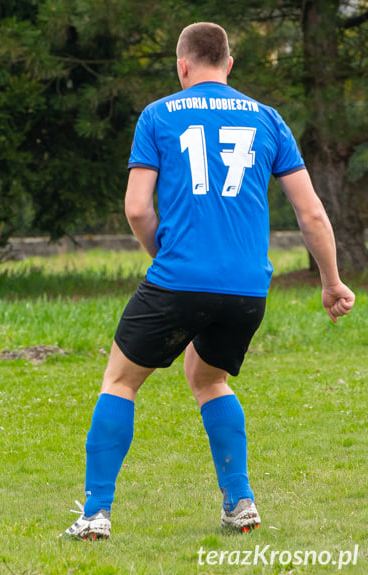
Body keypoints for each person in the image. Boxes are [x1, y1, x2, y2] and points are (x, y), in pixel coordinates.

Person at [62, 22, 355, 540]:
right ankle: (240, 502)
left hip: (178, 278)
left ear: (182, 66)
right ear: (229, 65)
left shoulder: (157, 115)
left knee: (120, 380)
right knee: (208, 377)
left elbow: (135, 209)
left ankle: (95, 514)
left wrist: (165, 258)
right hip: (246, 289)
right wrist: (331, 282)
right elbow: (311, 214)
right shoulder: (267, 119)